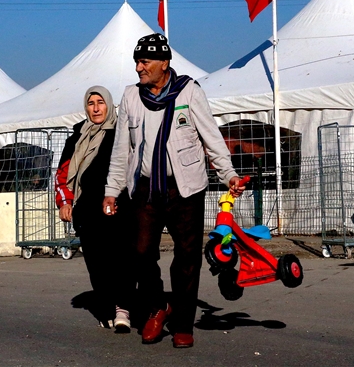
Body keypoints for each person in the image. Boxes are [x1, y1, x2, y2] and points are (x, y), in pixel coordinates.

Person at [102, 33, 245, 348]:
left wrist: (229, 174)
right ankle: (158, 306)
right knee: (140, 253)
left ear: (164, 63)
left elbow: (211, 137)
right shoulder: (130, 97)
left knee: (187, 258)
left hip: (185, 189)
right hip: (145, 189)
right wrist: (112, 190)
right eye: (137, 61)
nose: (139, 67)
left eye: (145, 61)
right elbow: (121, 150)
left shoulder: (189, 92)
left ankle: (183, 325)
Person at [55, 86, 135, 332]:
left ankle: (124, 308)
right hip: (87, 210)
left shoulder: (122, 131)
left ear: (109, 104)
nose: (96, 108)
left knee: (121, 259)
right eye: (91, 103)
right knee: (96, 262)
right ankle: (105, 305)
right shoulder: (77, 136)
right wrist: (65, 202)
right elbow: (63, 173)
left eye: (101, 102)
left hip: (119, 206)